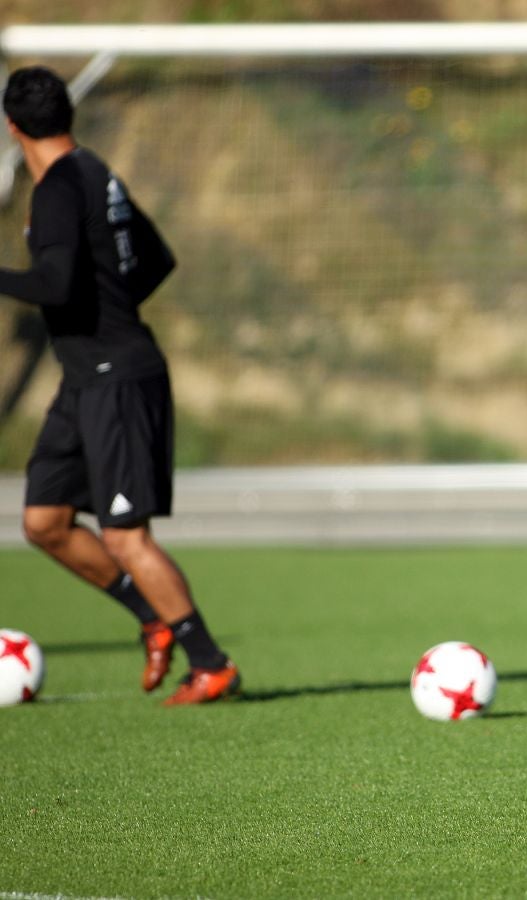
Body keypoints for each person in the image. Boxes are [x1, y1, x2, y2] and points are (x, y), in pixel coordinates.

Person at [0, 66, 239, 705]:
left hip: (117, 379)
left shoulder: (55, 190)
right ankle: (152, 618)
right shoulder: (94, 169)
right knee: (45, 520)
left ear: (12, 125)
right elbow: (156, 258)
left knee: (125, 536)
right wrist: (109, 305)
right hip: (87, 379)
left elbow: (53, 285)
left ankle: (210, 662)